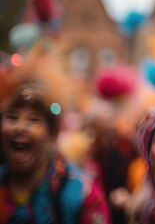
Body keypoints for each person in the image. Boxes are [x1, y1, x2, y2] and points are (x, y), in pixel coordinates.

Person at [0, 53, 111, 223]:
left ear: (52, 134)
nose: (20, 127)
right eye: (12, 117)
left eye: (33, 120)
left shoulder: (82, 193)